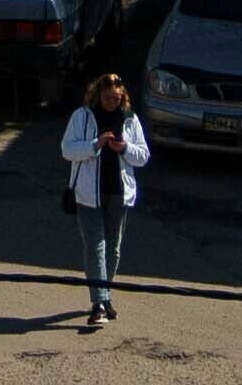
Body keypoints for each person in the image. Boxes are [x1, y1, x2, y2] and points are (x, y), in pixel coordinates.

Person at [54, 65, 150, 332]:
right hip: (88, 195)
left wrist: (125, 148)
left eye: (117, 98)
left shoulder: (130, 119)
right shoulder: (82, 117)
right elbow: (67, 149)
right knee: (95, 247)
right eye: (108, 98)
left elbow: (143, 156)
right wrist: (94, 145)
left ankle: (105, 296)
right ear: (98, 95)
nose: (112, 102)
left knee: (113, 248)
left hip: (119, 194)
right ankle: (99, 303)